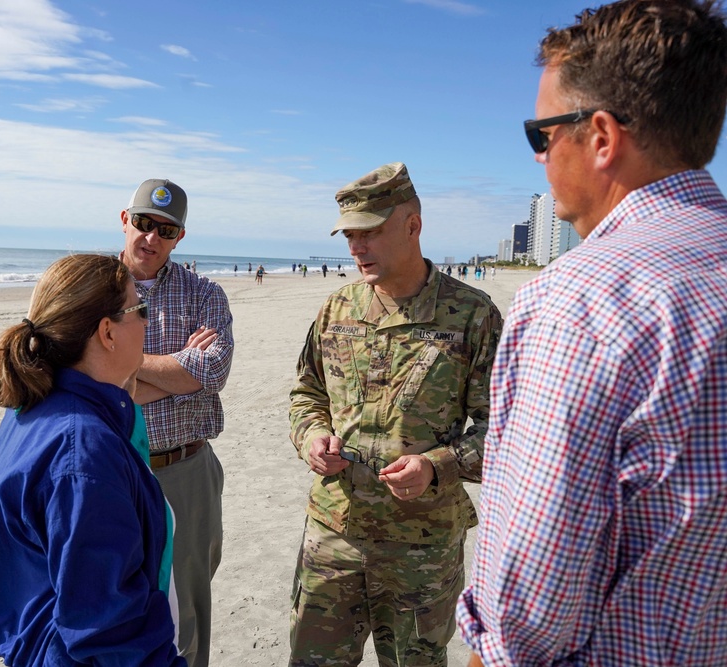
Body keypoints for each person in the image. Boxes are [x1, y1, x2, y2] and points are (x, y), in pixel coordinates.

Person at [457, 2, 727, 665]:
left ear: (601, 136)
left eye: (541, 135)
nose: (542, 159)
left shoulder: (581, 303)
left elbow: (530, 609)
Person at [289, 162, 502, 666]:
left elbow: (505, 432)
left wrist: (438, 466)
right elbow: (306, 394)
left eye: (370, 232)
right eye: (349, 236)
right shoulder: (336, 309)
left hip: (421, 550)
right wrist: (313, 436)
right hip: (333, 536)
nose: (356, 247)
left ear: (413, 226)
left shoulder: (472, 316)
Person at [0, 254, 184, 666]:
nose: (148, 321)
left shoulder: (34, 406)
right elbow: (109, 631)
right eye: (140, 309)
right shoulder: (82, 452)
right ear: (107, 332)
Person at [118, 178, 234, 667]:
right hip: (112, 467)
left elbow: (211, 372)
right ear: (125, 220)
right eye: (144, 224)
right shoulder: (86, 285)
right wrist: (176, 365)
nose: (152, 238)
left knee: (188, 611)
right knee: (113, 603)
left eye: (165, 230)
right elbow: (63, 373)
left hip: (185, 471)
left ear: (180, 237)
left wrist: (121, 363)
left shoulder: (204, 292)